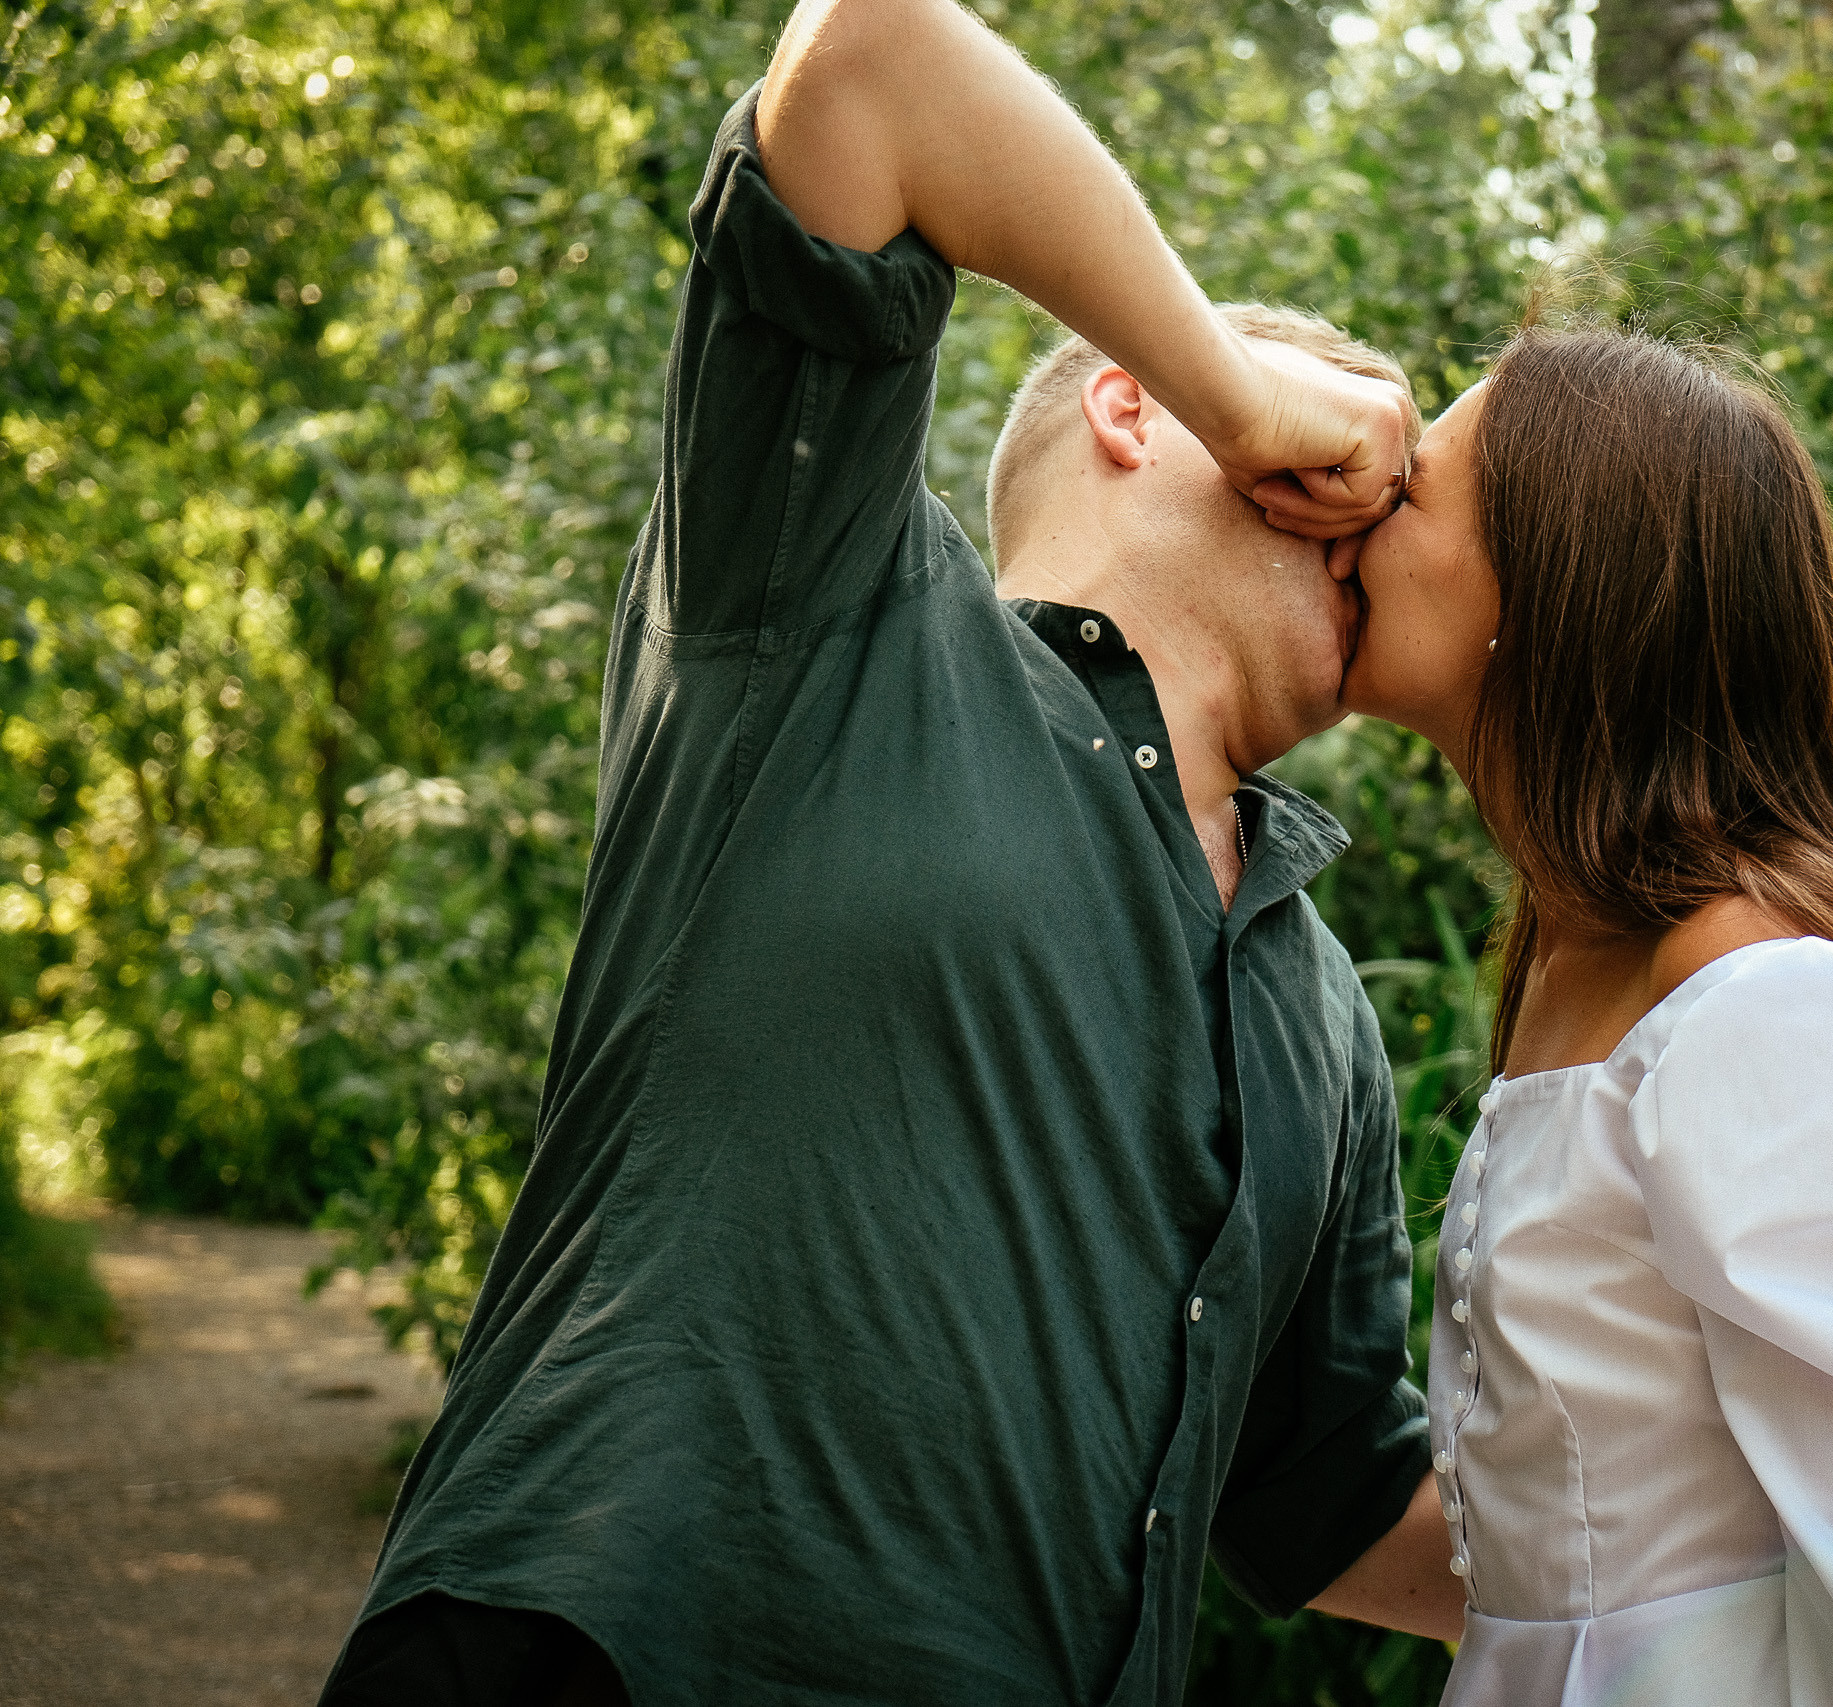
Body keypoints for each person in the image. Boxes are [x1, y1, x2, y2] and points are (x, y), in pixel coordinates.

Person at [316, 1, 1470, 1701]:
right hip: (596, 1657)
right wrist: (1252, 386)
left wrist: (1794, 1546)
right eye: (1356, 447)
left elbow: (1344, 1504)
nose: (1379, 492)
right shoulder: (827, 607)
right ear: (1141, 414)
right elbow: (873, 61)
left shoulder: (1320, 1007)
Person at [1296, 327, 1833, 1704]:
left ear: (1551, 586)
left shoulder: (1763, 987)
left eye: (1412, 488)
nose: (1357, 513)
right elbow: (1568, 1548)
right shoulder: (1566, 960)